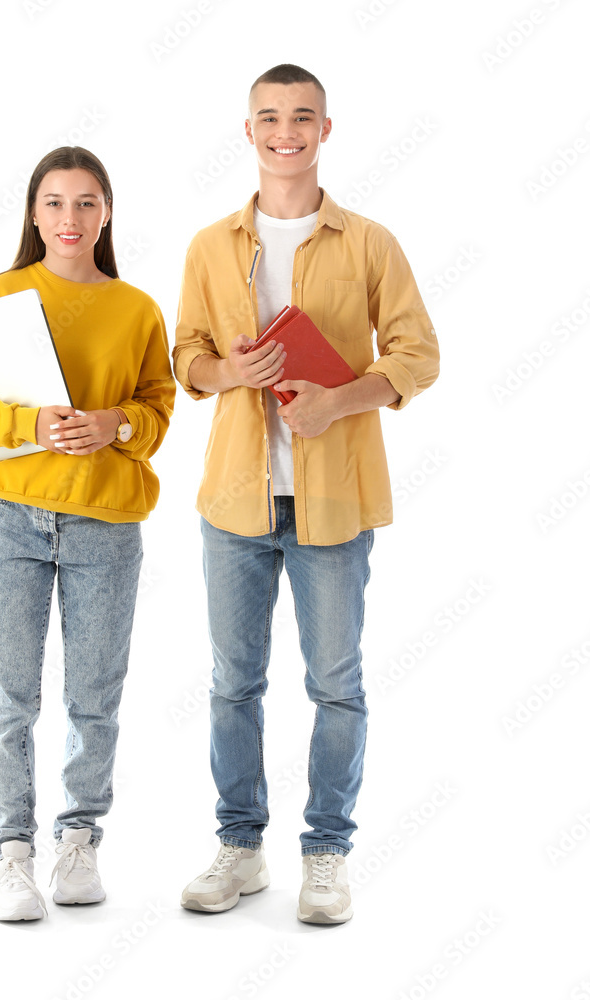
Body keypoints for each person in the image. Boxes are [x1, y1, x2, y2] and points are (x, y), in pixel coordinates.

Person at [173, 64, 439, 923]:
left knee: (336, 685)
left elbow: (415, 355)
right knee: (232, 685)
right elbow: (186, 357)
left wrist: (340, 400)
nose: (284, 130)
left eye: (302, 117)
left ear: (326, 130)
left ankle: (326, 855)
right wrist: (228, 369)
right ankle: (239, 846)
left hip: (332, 503)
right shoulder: (211, 245)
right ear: (246, 132)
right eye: (268, 118)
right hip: (235, 503)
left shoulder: (369, 242)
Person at [0, 146, 175, 921]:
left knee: (95, 697)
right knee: (10, 696)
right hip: (11, 521)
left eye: (87, 203)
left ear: (107, 214)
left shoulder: (136, 308)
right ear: (34, 214)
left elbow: (159, 408)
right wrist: (28, 425)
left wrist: (118, 423)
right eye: (56, 203)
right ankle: (11, 853)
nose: (71, 218)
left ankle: (79, 843)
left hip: (106, 525)